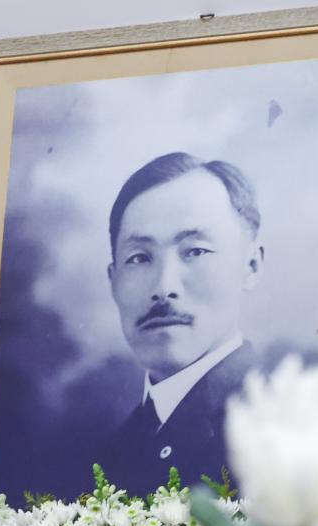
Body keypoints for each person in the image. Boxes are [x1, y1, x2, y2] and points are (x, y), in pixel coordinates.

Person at [103, 151, 264, 498]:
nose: (164, 288)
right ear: (113, 280)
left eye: (195, 251)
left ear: (250, 265)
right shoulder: (111, 452)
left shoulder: (283, 427)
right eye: (139, 258)